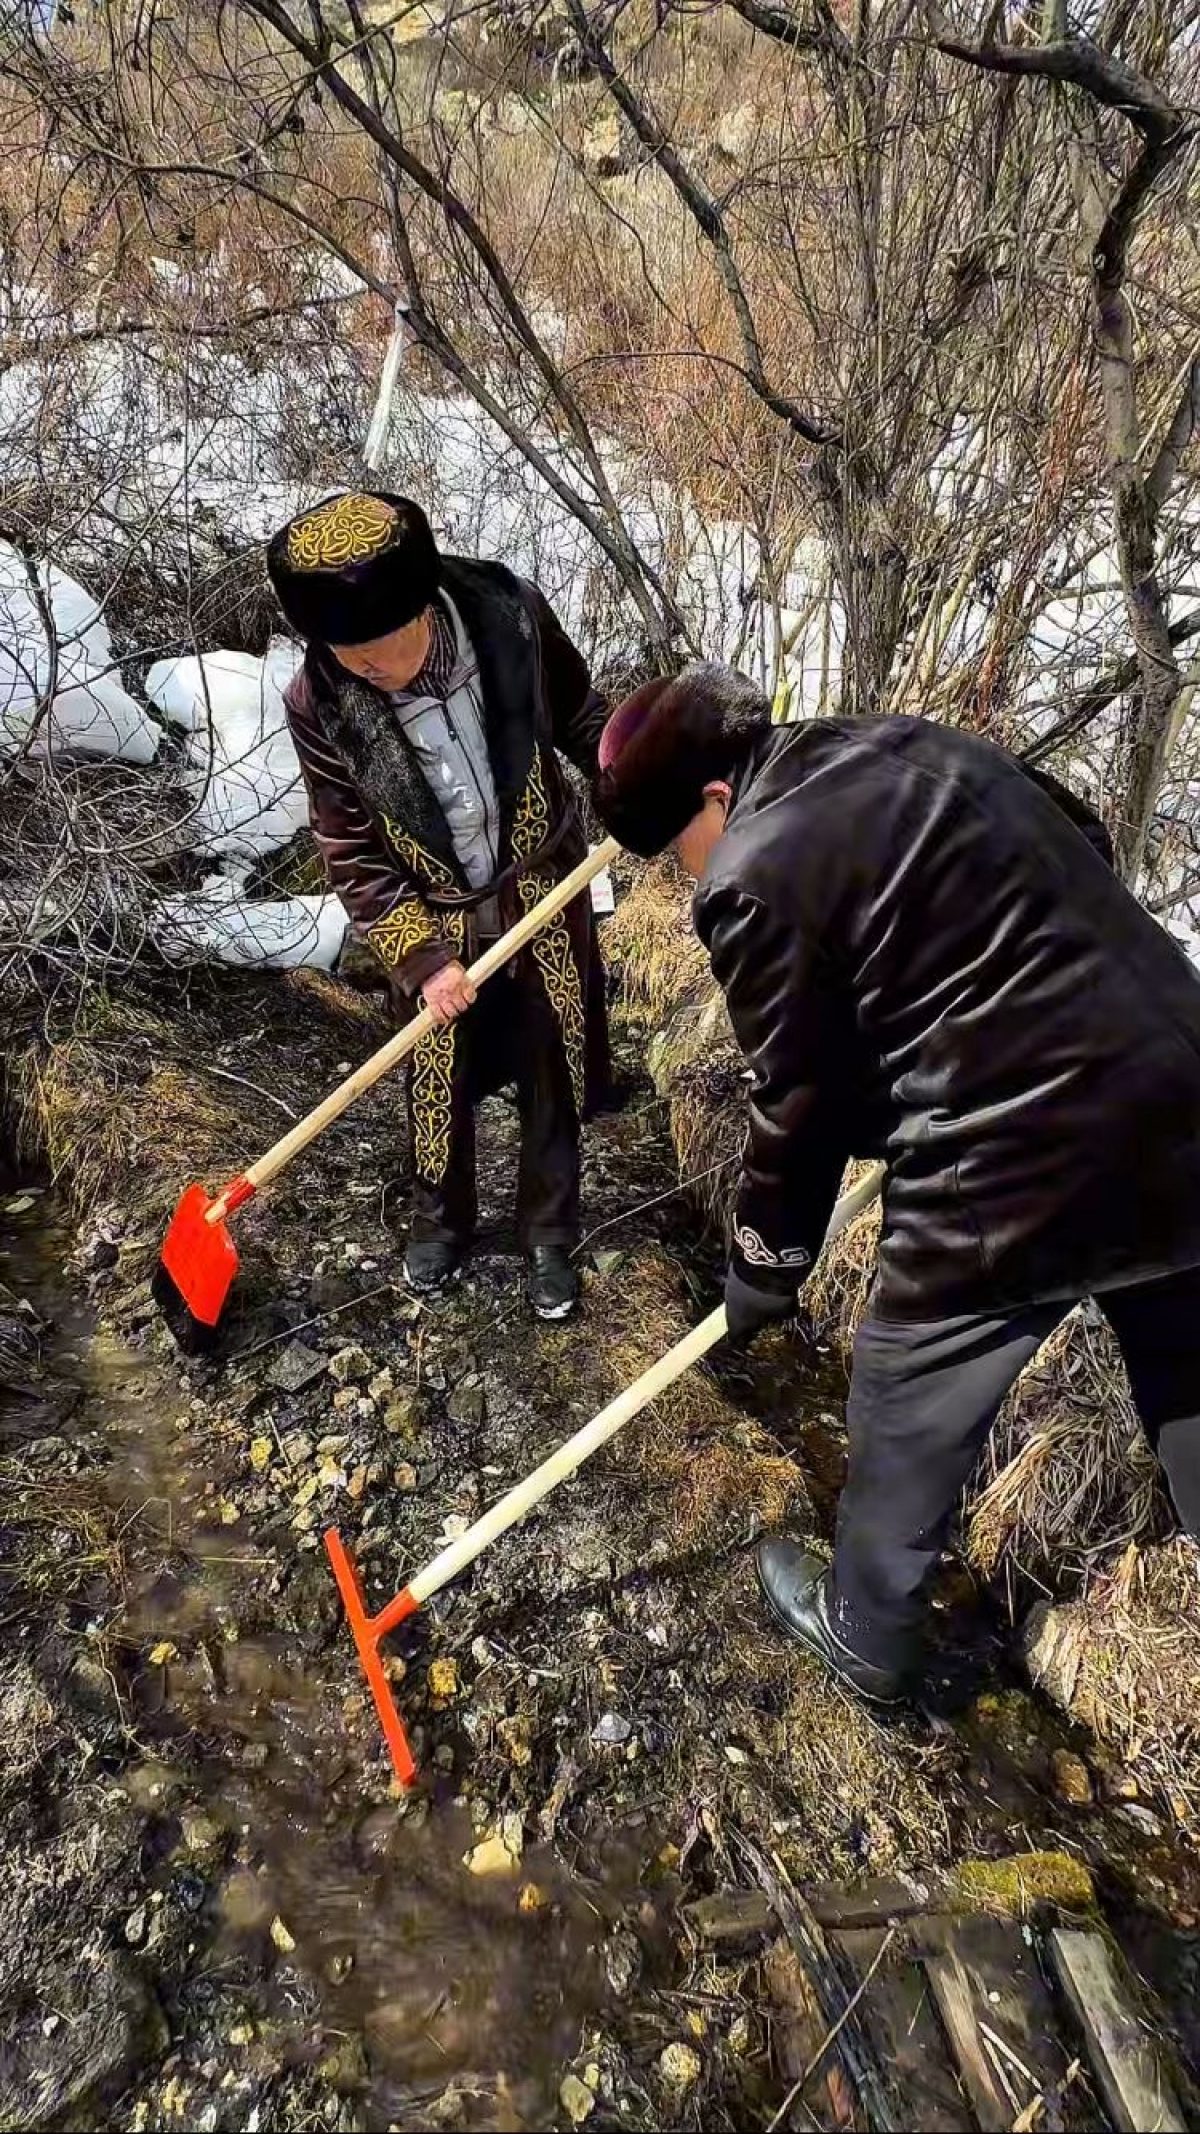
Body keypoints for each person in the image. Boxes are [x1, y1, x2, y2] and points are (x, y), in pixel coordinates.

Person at [593, 664, 1200, 1705]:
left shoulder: (751, 866)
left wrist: (765, 1263)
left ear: (713, 801)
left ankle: (866, 1632)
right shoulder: (900, 742)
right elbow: (1079, 834)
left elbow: (798, 1096)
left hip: (1020, 1144)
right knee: (1189, 1346)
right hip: (1178, 1061)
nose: (690, 879)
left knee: (904, 1378)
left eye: (679, 854)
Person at [267, 491, 609, 1320]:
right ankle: (439, 1224)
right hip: (434, 908)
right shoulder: (321, 698)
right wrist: (423, 960)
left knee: (550, 1062)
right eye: (344, 654)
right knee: (434, 1077)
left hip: (538, 887)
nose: (364, 670)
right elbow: (348, 846)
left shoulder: (511, 616)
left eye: (377, 653)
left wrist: (635, 785)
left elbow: (580, 716)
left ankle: (549, 1233)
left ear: (425, 607)